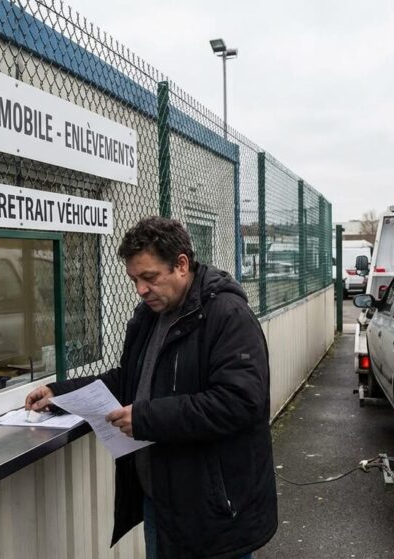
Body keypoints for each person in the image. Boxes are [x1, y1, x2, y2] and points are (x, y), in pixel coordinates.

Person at [26, 217, 277, 558]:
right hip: (161, 502)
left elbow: (238, 402)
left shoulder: (227, 315)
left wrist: (147, 419)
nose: (141, 290)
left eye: (149, 278)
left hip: (213, 512)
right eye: (134, 279)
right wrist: (60, 393)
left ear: (181, 265)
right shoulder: (148, 317)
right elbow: (130, 379)